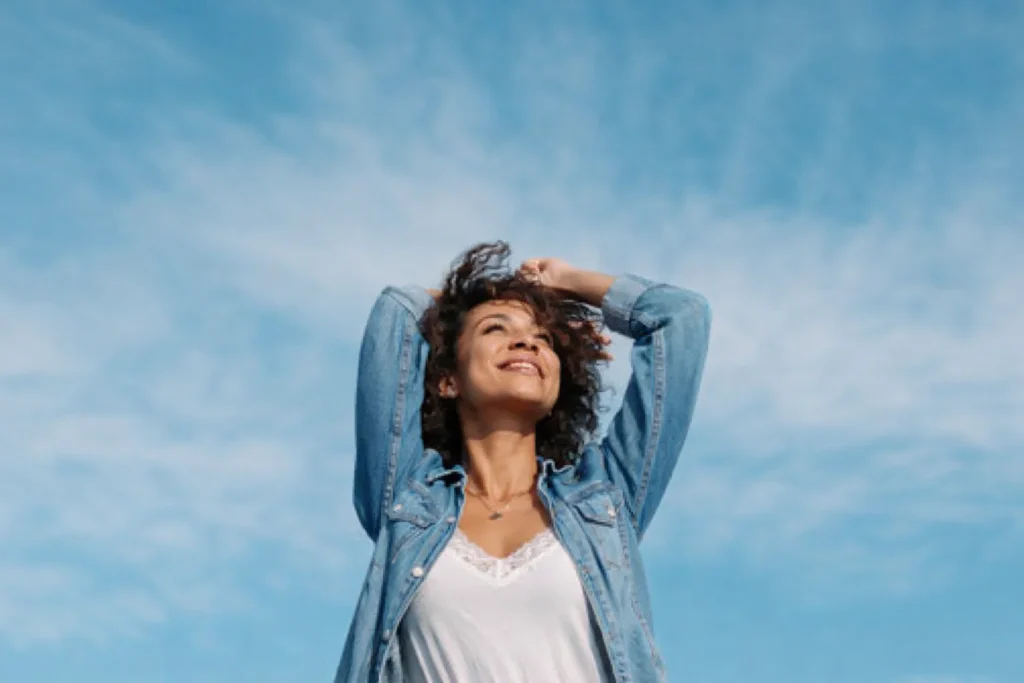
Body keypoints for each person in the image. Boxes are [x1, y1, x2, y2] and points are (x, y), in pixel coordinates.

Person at [334, 242, 711, 683]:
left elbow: (682, 318)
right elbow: (395, 313)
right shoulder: (406, 499)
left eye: (544, 338)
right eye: (496, 328)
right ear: (448, 380)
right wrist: (465, 303)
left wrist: (566, 283)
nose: (526, 340)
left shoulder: (606, 496)